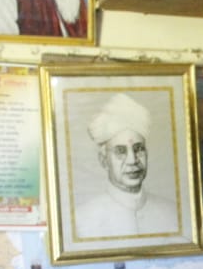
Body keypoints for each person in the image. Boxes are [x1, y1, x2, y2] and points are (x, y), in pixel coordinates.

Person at [75, 92, 178, 238]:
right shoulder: (82, 221)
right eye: (120, 151)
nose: (132, 160)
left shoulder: (172, 213)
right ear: (104, 160)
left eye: (138, 149)